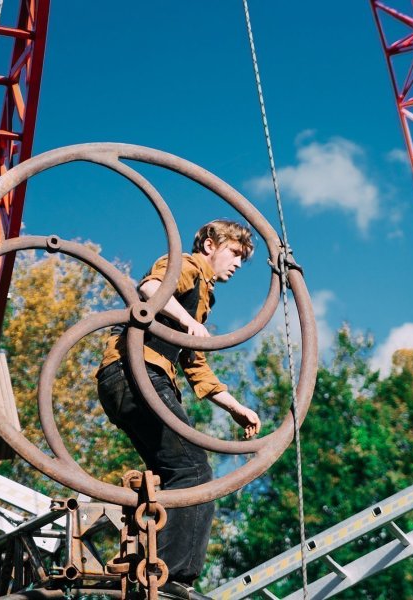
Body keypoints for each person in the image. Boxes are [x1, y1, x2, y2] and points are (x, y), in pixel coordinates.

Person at [96, 220, 261, 600]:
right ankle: (171, 581)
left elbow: (195, 364)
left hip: (131, 381)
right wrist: (187, 321)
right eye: (234, 253)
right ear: (209, 244)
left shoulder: (204, 294)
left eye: (242, 257)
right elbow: (150, 289)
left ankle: (146, 567)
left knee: (171, 475)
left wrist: (235, 407)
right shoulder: (184, 265)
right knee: (195, 473)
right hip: (138, 373)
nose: (237, 263)